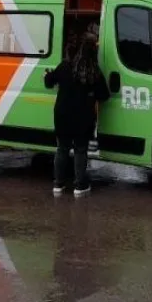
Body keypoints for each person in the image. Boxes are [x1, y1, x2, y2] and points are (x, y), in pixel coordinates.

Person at [44, 32, 110, 196]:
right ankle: (80, 186)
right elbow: (104, 95)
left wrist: (47, 75)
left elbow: (48, 82)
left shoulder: (65, 66)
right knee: (80, 150)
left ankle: (58, 185)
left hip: (63, 115)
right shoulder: (95, 72)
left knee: (62, 149)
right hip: (83, 117)